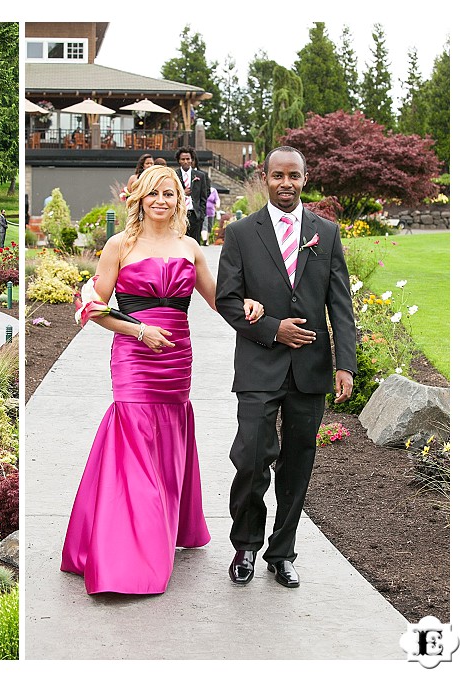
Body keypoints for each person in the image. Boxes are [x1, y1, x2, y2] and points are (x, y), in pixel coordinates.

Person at [60, 164, 265, 595]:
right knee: (134, 445)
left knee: (168, 441)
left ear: (180, 200)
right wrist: (138, 330)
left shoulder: (190, 247)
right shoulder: (120, 245)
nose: (160, 201)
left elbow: (217, 300)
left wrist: (248, 306)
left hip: (177, 360)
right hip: (134, 357)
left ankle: (166, 524)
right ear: (139, 197)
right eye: (153, 193)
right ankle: (131, 554)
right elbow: (92, 309)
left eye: (169, 194)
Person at [215, 146, 356, 589]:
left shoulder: (326, 233)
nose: (286, 183)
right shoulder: (241, 233)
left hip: (310, 370)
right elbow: (226, 299)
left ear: (305, 179)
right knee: (252, 457)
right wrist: (274, 329)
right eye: (278, 175)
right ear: (266, 178)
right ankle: (245, 546)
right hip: (259, 364)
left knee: (298, 464)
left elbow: (341, 305)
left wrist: (345, 365)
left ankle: (282, 552)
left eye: (294, 175)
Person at [175, 147, 210, 244]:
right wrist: (182, 193)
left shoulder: (200, 175)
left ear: (192, 160)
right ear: (179, 161)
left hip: (195, 215)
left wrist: (201, 215)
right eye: (183, 159)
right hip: (180, 214)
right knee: (181, 243)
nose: (186, 161)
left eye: (188, 159)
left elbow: (204, 196)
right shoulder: (174, 175)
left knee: (195, 244)